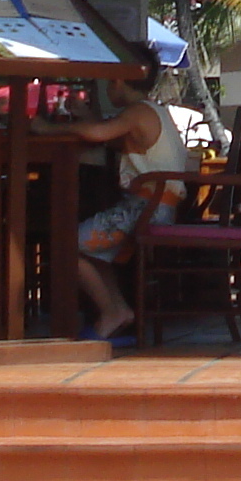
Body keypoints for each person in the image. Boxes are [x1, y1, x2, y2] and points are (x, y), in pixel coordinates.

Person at [60, 68, 187, 340]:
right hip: (159, 207)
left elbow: (99, 133)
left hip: (146, 208)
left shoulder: (138, 111)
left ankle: (112, 312)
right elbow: (112, 135)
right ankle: (117, 310)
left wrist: (50, 128)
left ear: (118, 81)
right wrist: (87, 116)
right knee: (95, 250)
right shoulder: (154, 111)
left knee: (68, 245)